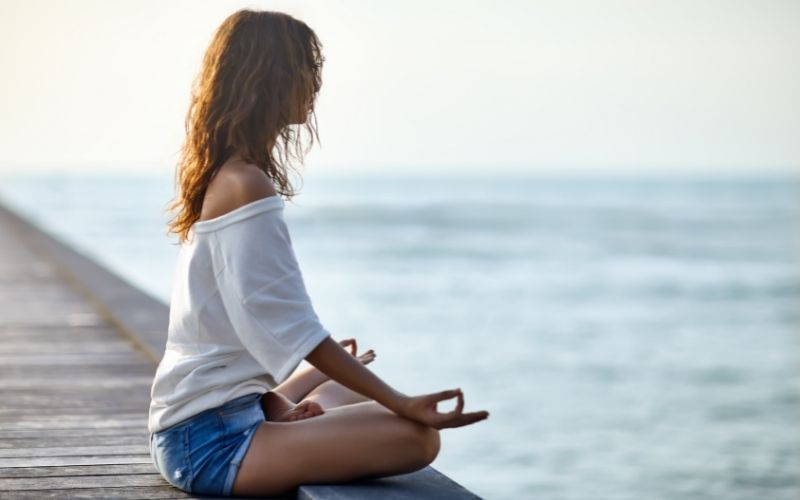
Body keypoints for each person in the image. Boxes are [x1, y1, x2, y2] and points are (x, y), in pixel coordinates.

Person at [148, 8, 489, 498]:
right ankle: (293, 423)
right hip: (210, 445)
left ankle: (289, 417)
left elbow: (236, 325)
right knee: (417, 436)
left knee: (349, 382)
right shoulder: (247, 186)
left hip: (209, 416)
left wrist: (278, 404)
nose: (315, 83)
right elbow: (293, 325)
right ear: (272, 78)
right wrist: (403, 403)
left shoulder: (226, 176)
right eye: (308, 68)